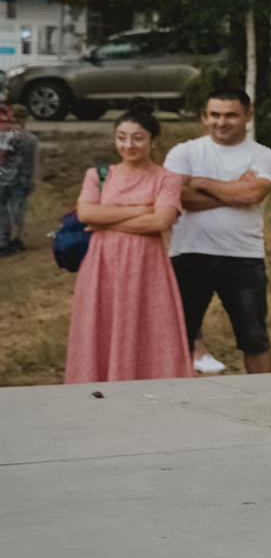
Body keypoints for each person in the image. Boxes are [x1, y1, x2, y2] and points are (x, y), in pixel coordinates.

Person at [64, 107, 192, 382]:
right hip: (102, 264)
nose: (128, 145)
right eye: (121, 137)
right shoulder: (97, 175)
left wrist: (106, 220)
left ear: (153, 140)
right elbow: (86, 214)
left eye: (137, 138)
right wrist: (141, 210)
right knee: (101, 322)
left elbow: (161, 222)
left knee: (147, 323)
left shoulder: (166, 178)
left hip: (146, 265)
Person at [164, 86, 271, 375]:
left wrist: (200, 182)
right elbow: (175, 198)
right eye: (214, 115)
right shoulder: (184, 152)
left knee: (254, 338)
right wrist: (233, 191)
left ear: (248, 116)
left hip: (242, 255)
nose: (221, 122)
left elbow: (252, 196)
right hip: (188, 253)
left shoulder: (262, 155)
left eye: (230, 115)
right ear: (204, 117)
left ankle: (265, 400)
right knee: (180, 337)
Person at [0, 100, 36, 254]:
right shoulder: (30, 139)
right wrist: (32, 179)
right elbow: (32, 162)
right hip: (22, 178)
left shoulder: (6, 136)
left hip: (5, 179)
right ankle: (15, 239)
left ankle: (4, 240)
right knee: (17, 210)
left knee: (4, 210)